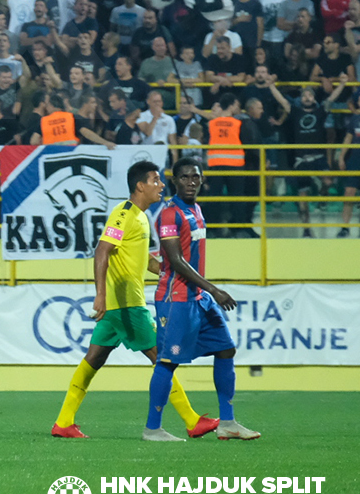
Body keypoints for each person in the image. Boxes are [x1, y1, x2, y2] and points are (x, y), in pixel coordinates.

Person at [52, 161, 214, 440]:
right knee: (163, 358)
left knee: (93, 360)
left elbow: (141, 260)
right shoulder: (125, 213)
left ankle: (64, 422)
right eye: (155, 180)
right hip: (126, 304)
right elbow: (102, 251)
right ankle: (191, 420)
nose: (161, 185)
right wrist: (100, 295)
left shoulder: (140, 217)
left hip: (119, 307)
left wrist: (166, 267)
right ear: (140, 186)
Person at [143, 158, 260, 441]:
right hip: (176, 298)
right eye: (184, 177)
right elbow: (175, 260)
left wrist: (206, 292)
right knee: (168, 362)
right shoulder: (170, 214)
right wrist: (214, 290)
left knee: (226, 349)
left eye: (195, 177)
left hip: (197, 297)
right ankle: (152, 428)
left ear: (202, 179)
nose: (191, 182)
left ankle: (228, 423)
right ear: (175, 181)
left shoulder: (196, 208)